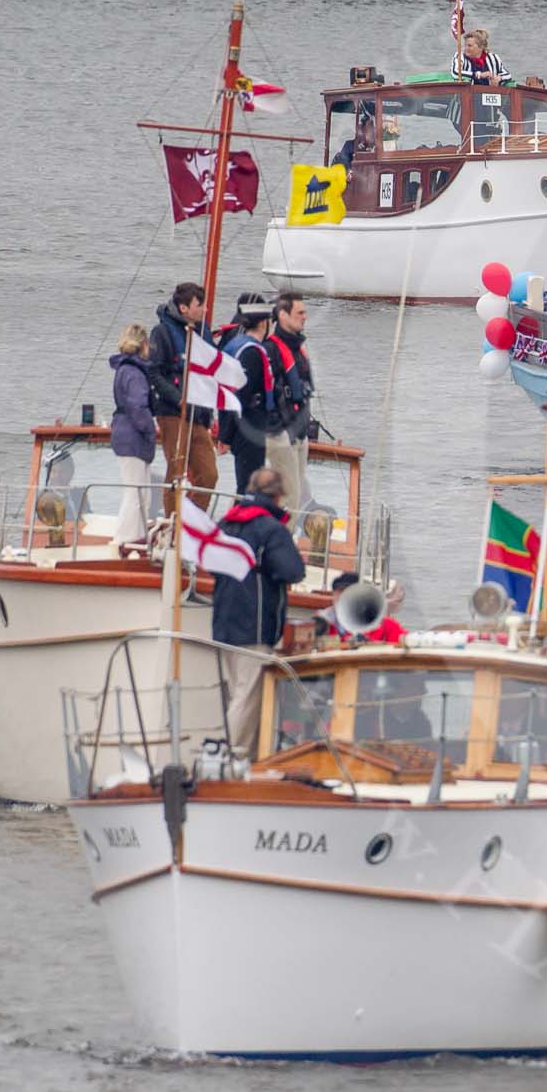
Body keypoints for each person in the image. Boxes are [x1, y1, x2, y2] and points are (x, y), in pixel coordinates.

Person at [211, 468, 308, 755]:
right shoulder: (270, 529)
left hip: (224, 623)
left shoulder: (227, 524)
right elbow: (292, 571)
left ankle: (241, 755)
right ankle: (230, 758)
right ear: (278, 496)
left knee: (236, 692)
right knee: (247, 695)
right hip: (254, 626)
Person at [145, 281, 218, 517]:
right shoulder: (162, 333)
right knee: (176, 470)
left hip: (199, 413)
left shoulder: (203, 332)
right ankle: (172, 523)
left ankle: (191, 520)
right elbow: (154, 373)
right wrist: (178, 400)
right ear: (184, 308)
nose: (205, 310)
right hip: (173, 412)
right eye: (200, 305)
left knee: (208, 474)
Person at [107, 324, 158, 554]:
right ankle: (124, 541)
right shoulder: (135, 373)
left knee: (141, 492)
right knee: (136, 492)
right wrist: (150, 429)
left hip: (124, 432)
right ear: (144, 345)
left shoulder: (123, 370)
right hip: (133, 436)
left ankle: (135, 538)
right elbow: (138, 406)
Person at [222, 295, 278, 494]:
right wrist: (226, 437)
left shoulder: (237, 345)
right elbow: (240, 396)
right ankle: (241, 522)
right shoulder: (251, 353)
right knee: (248, 486)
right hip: (249, 426)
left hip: (246, 424)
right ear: (264, 323)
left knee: (247, 485)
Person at [266, 292, 313, 510]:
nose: (305, 317)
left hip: (299, 433)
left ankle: (284, 538)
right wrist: (279, 429)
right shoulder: (271, 349)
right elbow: (269, 392)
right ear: (283, 315)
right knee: (289, 498)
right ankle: (278, 542)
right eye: (300, 312)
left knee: (296, 498)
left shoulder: (298, 350)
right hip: (281, 432)